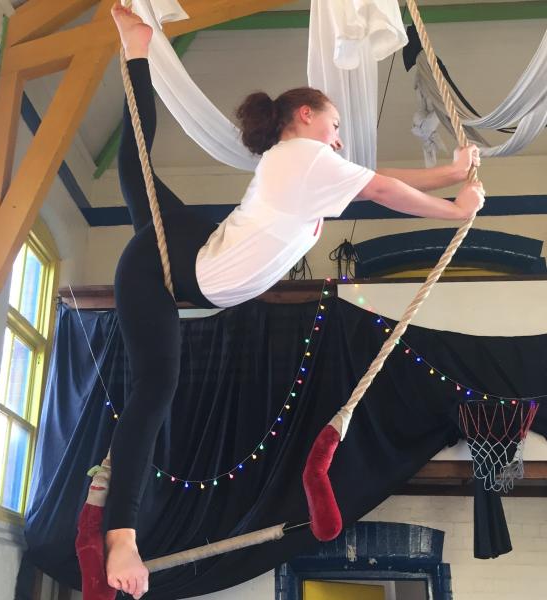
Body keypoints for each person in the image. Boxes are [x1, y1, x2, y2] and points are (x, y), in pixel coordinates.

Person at [106, 3, 485, 597]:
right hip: (168, 269)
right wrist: (455, 210)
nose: (339, 138)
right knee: (155, 386)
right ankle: (120, 534)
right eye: (335, 128)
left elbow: (374, 177)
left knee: (139, 180)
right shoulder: (305, 159)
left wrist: (450, 175)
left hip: (191, 255)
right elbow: (381, 187)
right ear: (305, 117)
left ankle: (134, 51)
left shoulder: (306, 162)